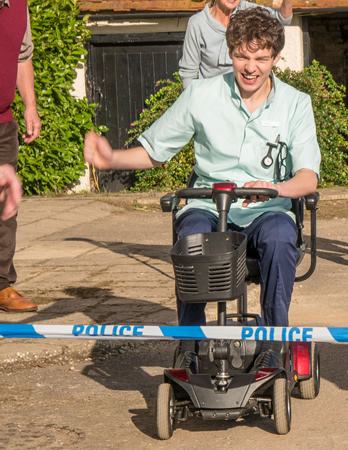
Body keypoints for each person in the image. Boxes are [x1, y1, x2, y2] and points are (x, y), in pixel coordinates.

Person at [84, 8, 320, 361]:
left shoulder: (296, 104)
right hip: (210, 204)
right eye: (242, 56)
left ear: (275, 58)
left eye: (261, 58)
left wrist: (276, 190)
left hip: (267, 208)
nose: (250, 67)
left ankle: (274, 345)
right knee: (191, 236)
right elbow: (154, 152)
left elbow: (308, 177)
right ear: (229, 52)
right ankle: (191, 347)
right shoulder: (200, 95)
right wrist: (111, 158)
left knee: (280, 237)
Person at [0, 0, 40, 313]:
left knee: (6, 206)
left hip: (3, 123)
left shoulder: (19, 5)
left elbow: (22, 57)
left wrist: (30, 107)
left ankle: (2, 284)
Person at [178, 0, 293, 88]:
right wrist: (195, 103)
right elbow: (188, 73)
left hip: (247, 97)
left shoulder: (248, 11)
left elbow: (282, 20)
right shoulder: (197, 23)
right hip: (212, 99)